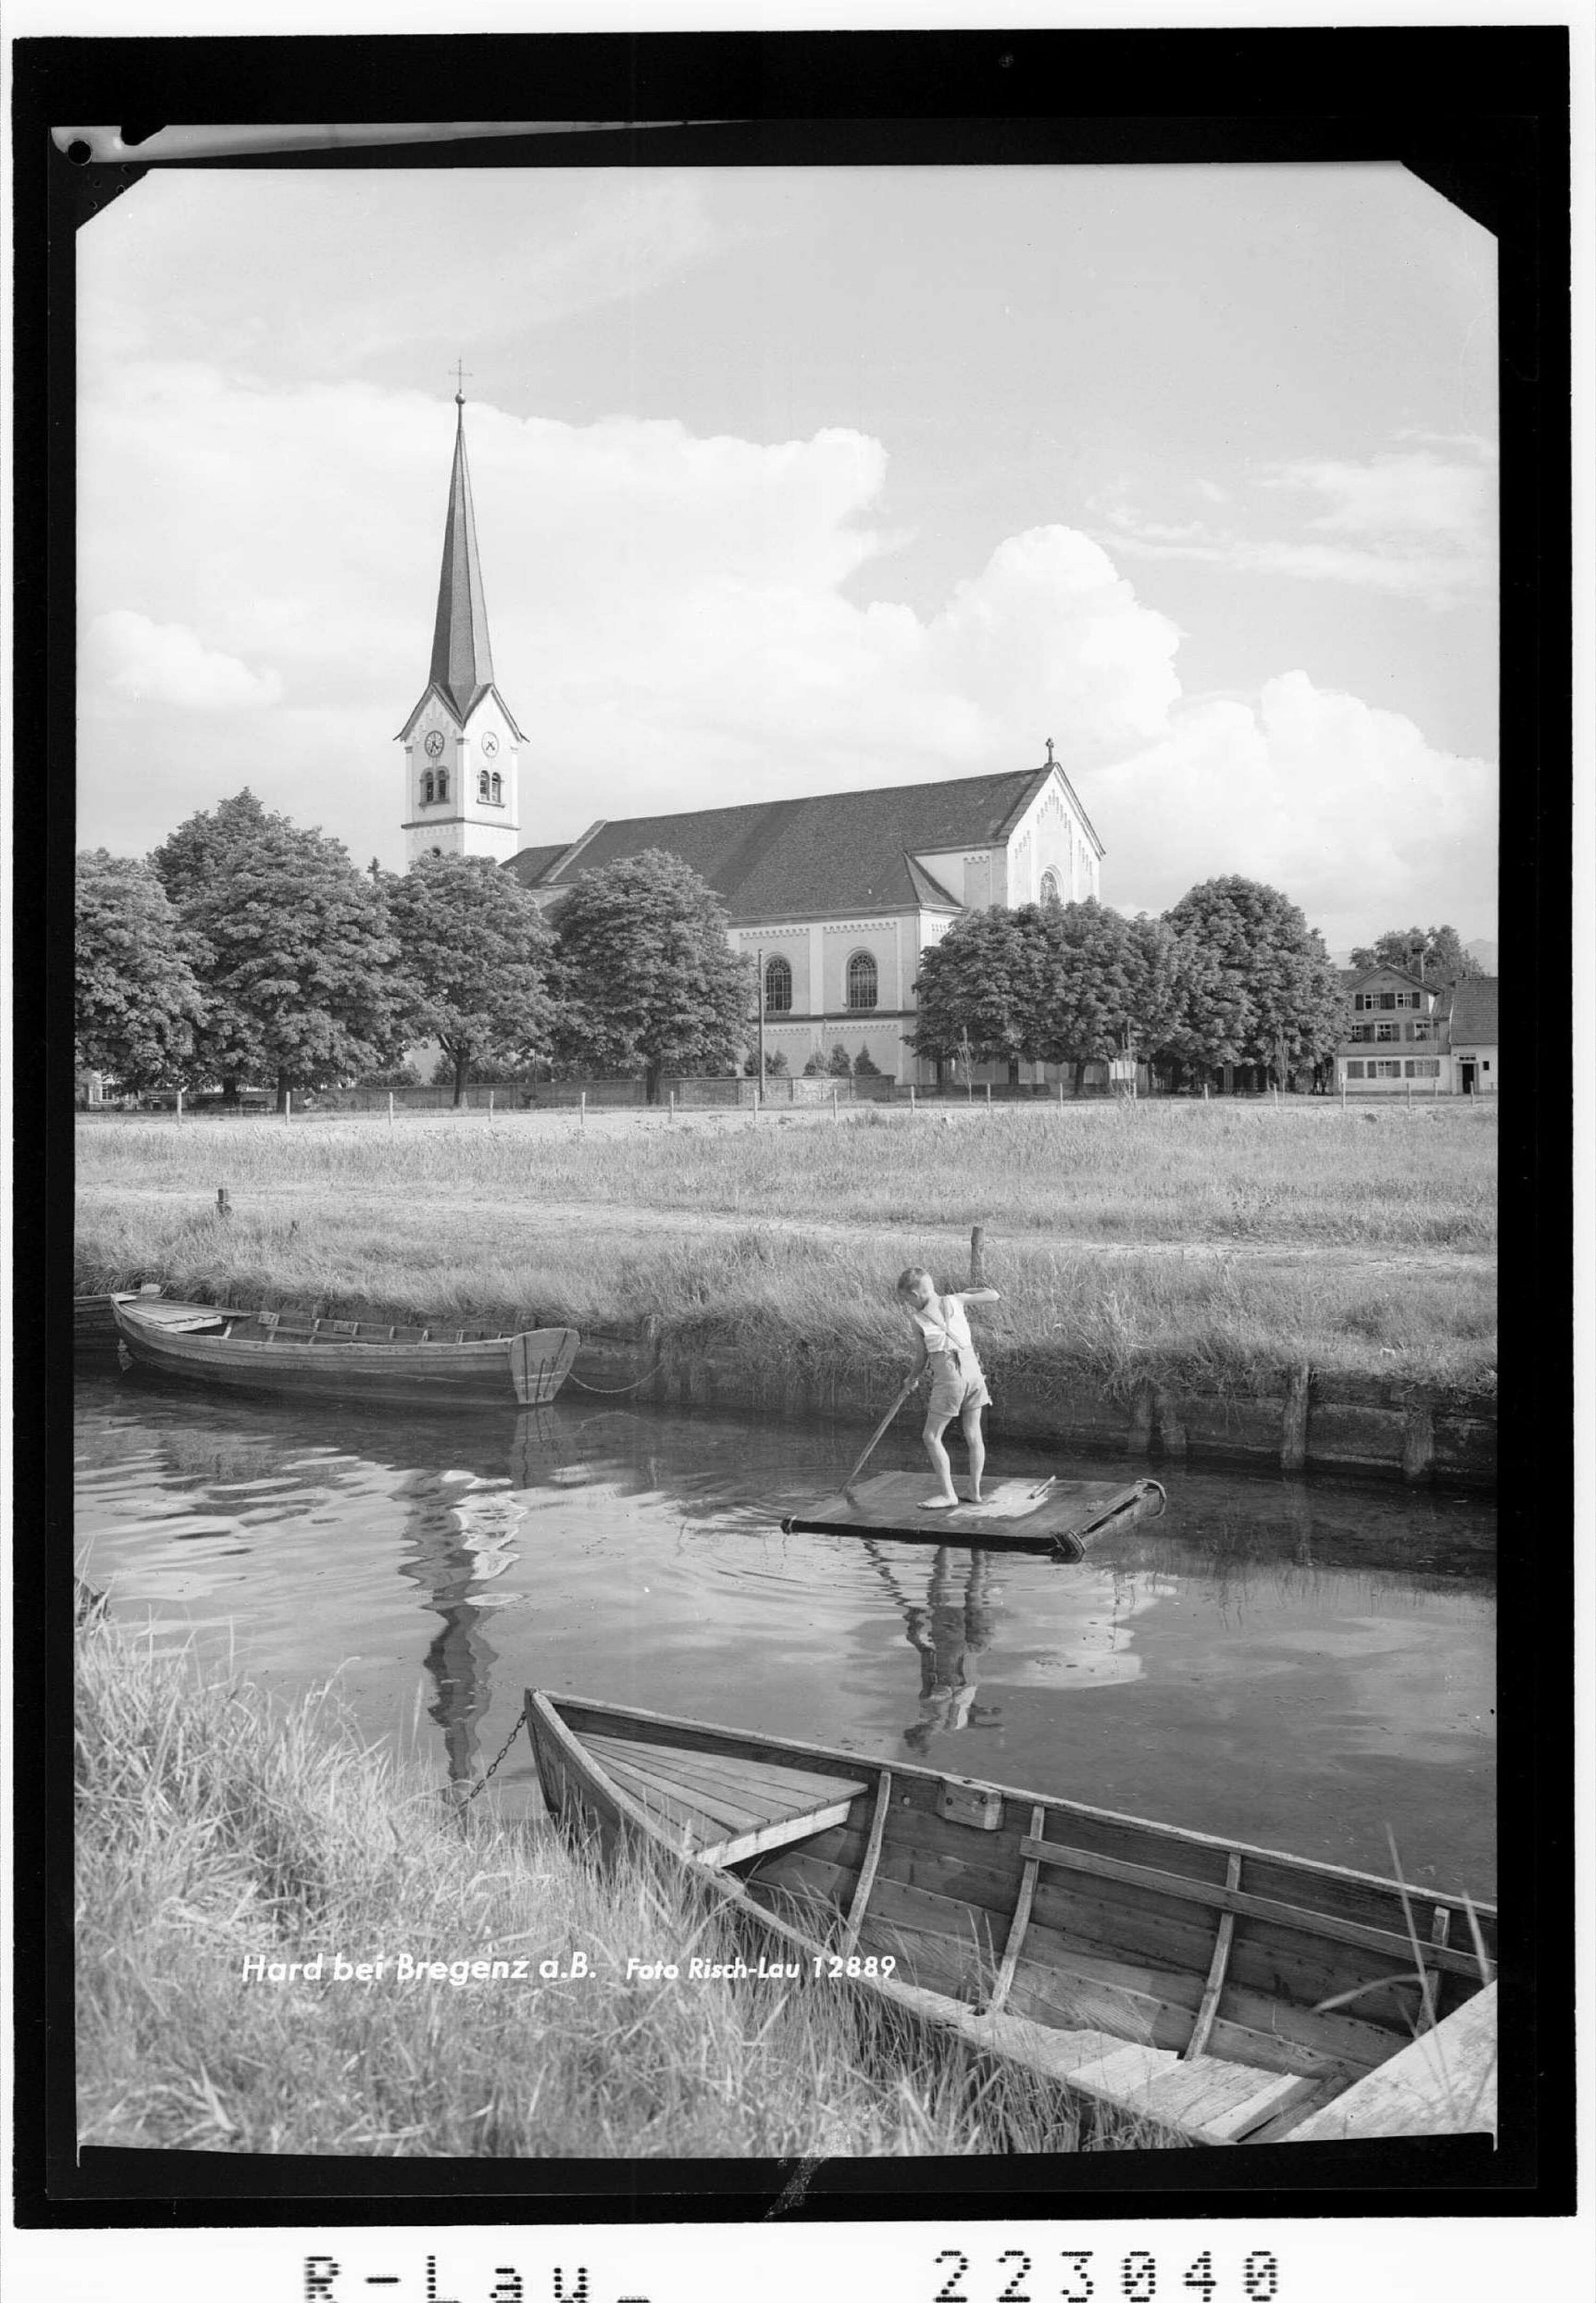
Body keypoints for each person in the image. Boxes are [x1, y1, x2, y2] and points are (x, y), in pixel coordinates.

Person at [895, 1265, 1001, 1508]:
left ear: (915, 1295)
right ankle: (974, 1491)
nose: (908, 1304)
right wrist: (969, 1291)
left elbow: (921, 1360)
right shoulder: (957, 1299)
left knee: (931, 1436)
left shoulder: (918, 1319)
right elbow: (994, 1295)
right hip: (974, 1374)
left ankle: (948, 1495)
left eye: (907, 1300)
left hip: (951, 1378)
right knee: (973, 1434)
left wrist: (911, 1379)